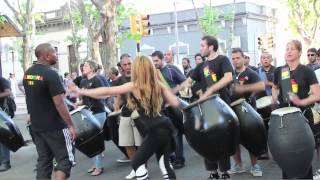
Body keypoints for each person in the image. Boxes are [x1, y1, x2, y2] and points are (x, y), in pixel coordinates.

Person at [70, 55, 180, 180]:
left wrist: (83, 91)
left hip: (154, 130)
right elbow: (175, 103)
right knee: (164, 164)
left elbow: (107, 91)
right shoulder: (158, 84)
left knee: (137, 162)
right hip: (165, 126)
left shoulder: (135, 85)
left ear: (137, 69)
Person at [179, 35, 234, 179]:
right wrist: (174, 90)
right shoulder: (201, 66)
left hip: (221, 105)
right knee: (207, 138)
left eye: (203, 45)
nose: (200, 48)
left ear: (211, 47)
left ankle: (224, 172)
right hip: (206, 107)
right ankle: (213, 172)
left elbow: (228, 77)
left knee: (221, 139)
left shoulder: (223, 60)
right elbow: (188, 81)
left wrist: (211, 90)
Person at [23, 43, 77, 180]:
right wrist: (70, 125)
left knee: (44, 161)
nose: (56, 55)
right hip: (56, 127)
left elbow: (30, 97)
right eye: (54, 52)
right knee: (65, 160)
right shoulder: (51, 74)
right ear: (47, 56)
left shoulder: (28, 74)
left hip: (37, 127)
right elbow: (59, 103)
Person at [272, 40, 320, 179]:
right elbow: (275, 87)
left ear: (299, 52)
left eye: (292, 49)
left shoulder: (307, 71)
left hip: (302, 116)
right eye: (287, 48)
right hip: (283, 118)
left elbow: (317, 94)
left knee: (302, 155)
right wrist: (274, 98)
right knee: (286, 153)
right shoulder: (279, 71)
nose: (288, 51)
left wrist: (301, 101)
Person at [229, 48, 265, 177]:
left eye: (238, 58)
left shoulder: (251, 73)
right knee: (233, 139)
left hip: (247, 110)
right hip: (232, 110)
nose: (235, 60)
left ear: (243, 58)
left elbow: (261, 86)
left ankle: (255, 165)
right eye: (233, 58)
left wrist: (242, 89)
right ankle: (238, 165)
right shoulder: (230, 74)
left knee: (251, 138)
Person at [152, 50, 187, 169]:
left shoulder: (171, 69)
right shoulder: (154, 72)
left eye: (156, 60)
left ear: (162, 59)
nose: (154, 63)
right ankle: (172, 156)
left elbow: (185, 82)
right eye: (153, 61)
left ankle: (179, 159)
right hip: (161, 107)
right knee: (167, 134)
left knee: (177, 132)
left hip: (174, 105)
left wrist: (174, 91)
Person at [72, 60, 106, 176]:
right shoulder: (83, 81)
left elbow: (105, 94)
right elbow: (84, 99)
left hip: (98, 112)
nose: (83, 67)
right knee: (90, 140)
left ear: (92, 68)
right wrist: (79, 103)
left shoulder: (97, 79)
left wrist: (89, 94)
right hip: (88, 113)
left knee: (94, 140)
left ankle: (99, 166)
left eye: (86, 66)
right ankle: (96, 164)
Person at [113, 53, 142, 179]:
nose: (127, 66)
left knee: (140, 145)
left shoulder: (140, 76)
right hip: (125, 114)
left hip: (140, 114)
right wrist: (116, 109)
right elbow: (119, 96)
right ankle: (135, 168)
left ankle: (142, 169)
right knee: (127, 144)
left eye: (129, 63)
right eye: (125, 64)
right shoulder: (119, 80)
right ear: (121, 66)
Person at [0, 76, 13, 172]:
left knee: (3, 138)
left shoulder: (2, 80)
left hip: (1, 112)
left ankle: (6, 162)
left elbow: (8, 92)